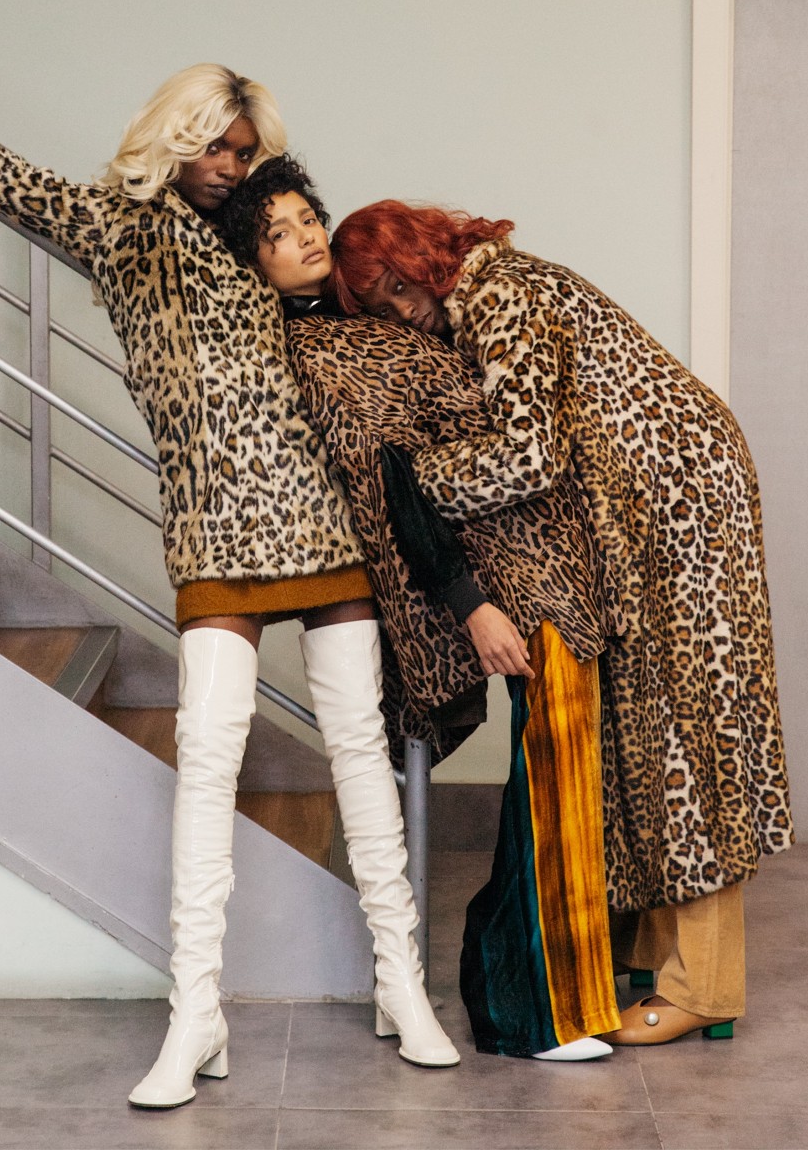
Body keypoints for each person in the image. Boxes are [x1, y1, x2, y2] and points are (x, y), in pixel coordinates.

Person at [0, 35, 459, 1107]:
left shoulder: (259, 235)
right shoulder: (118, 225)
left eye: (243, 151)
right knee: (207, 760)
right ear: (175, 139)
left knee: (359, 747)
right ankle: (194, 1013)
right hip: (215, 531)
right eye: (214, 147)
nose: (229, 165)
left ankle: (401, 985)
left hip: (324, 524)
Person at [329, 199, 794, 1044]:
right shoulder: (493, 295)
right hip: (649, 509)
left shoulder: (501, 295)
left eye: (397, 285)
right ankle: (649, 951)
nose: (400, 309)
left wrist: (409, 483)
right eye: (379, 302)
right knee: (639, 728)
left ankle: (704, 985)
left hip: (675, 507)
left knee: (681, 730)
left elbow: (527, 454)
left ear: (424, 254)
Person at [221, 156, 622, 1060]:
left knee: (562, 769)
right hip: (499, 567)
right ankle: (525, 1014)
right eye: (276, 235)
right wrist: (471, 604)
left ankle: (542, 992)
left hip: (545, 542)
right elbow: (391, 487)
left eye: (306, 218)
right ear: (254, 266)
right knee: (553, 770)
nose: (304, 238)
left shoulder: (370, 316)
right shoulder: (312, 356)